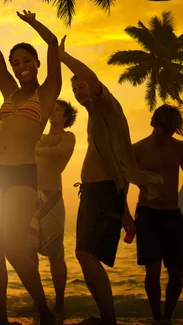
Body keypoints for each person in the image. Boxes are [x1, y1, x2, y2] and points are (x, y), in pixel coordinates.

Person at [0, 0, 62, 325]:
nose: (21, 66)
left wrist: (35, 25)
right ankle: (1, 318)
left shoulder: (49, 91)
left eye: (26, 60)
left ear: (35, 63)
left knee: (13, 248)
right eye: (16, 62)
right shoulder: (8, 90)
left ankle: (45, 313)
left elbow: (53, 46)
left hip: (23, 173)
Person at [59, 43, 163, 325]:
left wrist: (64, 57)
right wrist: (125, 210)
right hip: (96, 193)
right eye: (76, 90)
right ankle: (107, 317)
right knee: (84, 255)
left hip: (103, 192)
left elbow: (91, 78)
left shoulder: (106, 105)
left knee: (86, 255)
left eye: (83, 87)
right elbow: (116, 163)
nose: (81, 92)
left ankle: (108, 319)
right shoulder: (94, 118)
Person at [132, 104, 183, 321]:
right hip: (147, 215)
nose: (167, 136)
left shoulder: (179, 148)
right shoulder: (138, 149)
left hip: (172, 215)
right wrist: (125, 216)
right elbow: (122, 180)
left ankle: (167, 316)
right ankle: (157, 316)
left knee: (177, 274)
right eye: (163, 131)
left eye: (171, 132)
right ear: (153, 125)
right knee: (153, 272)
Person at [26, 100, 77, 317]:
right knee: (29, 250)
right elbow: (20, 152)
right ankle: (37, 300)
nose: (53, 113)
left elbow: (57, 153)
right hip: (30, 196)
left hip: (53, 196)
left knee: (55, 253)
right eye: (52, 109)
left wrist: (36, 147)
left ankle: (60, 302)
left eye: (58, 110)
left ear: (66, 117)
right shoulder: (38, 136)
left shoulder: (68, 136)